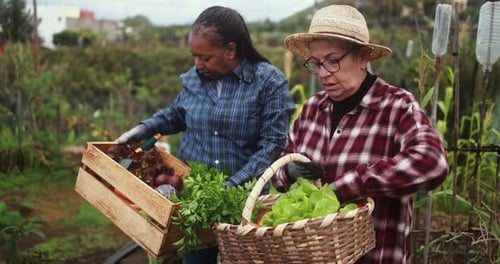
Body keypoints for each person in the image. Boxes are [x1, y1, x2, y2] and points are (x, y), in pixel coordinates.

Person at [116, 6, 296, 264]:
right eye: (194, 56)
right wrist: (145, 127)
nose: (198, 64)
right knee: (197, 259)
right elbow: (178, 114)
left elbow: (272, 145)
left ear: (231, 50)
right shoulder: (195, 79)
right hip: (194, 198)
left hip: (241, 204)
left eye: (206, 57)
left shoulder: (267, 82)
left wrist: (233, 185)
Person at [272, 5, 449, 264]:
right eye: (316, 63)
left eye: (333, 61)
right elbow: (281, 164)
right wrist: (288, 173)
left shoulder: (396, 106)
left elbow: (432, 162)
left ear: (363, 56)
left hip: (375, 255)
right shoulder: (313, 108)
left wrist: (348, 186)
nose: (323, 73)